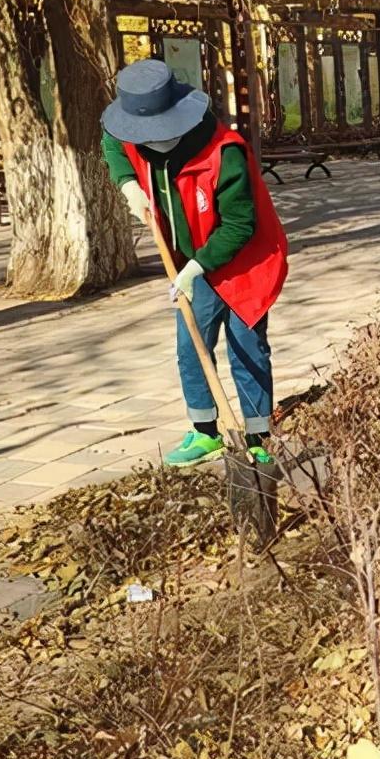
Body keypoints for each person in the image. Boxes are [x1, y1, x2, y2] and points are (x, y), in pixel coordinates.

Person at [101, 59, 288, 468]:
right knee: (192, 344)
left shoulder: (225, 153)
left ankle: (259, 436)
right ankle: (205, 431)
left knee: (247, 347)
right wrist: (128, 184)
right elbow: (111, 143)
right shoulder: (136, 133)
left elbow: (240, 225)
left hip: (245, 260)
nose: (149, 141)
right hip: (191, 259)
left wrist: (195, 267)